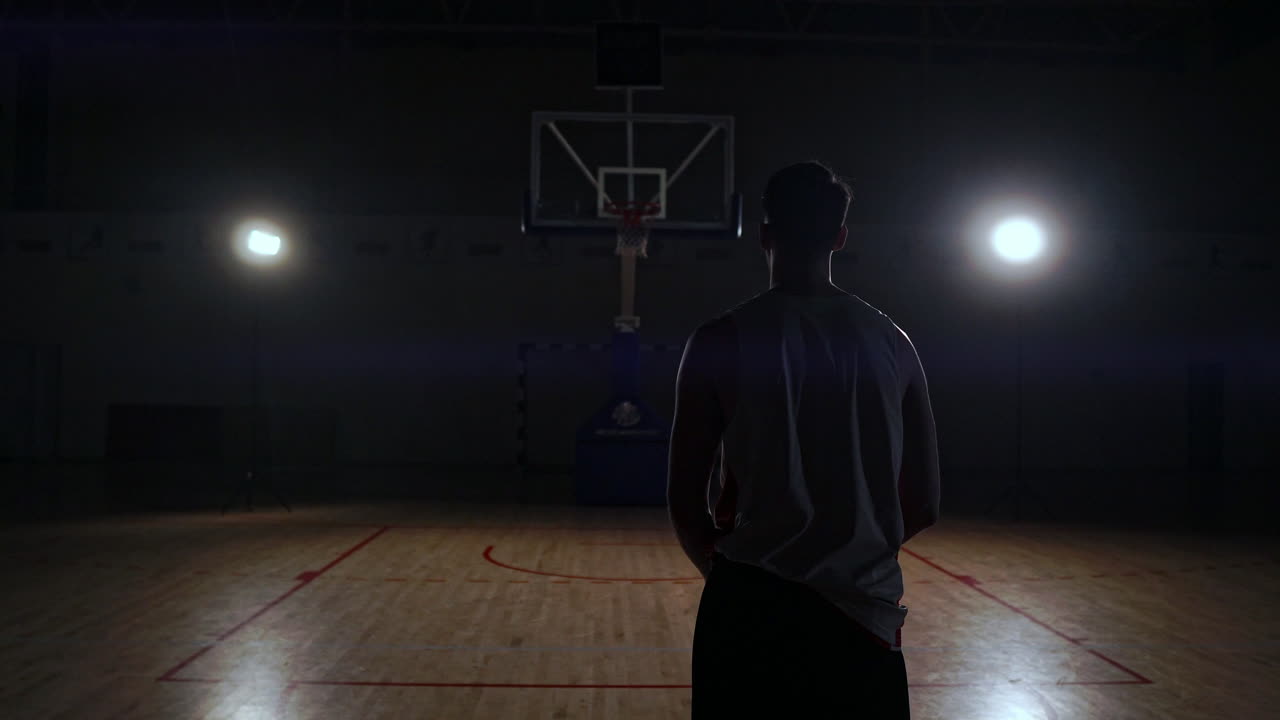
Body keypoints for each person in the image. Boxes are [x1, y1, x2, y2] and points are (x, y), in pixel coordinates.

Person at [667, 161, 941, 718]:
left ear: (762, 233)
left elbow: (684, 494)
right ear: (840, 236)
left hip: (749, 603)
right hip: (863, 612)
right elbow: (925, 502)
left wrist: (725, 568)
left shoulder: (719, 340)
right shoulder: (894, 342)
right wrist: (849, 553)